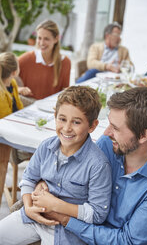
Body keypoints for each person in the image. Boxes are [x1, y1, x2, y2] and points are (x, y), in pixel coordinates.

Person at [40, 87, 147, 245]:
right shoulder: (109, 144)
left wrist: (65, 219)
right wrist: (41, 184)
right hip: (75, 231)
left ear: (143, 135)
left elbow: (127, 241)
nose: (106, 132)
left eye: (116, 128)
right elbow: (73, 174)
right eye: (109, 124)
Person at [0, 86, 112, 245]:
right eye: (62, 119)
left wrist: (56, 205)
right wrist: (28, 207)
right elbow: (28, 179)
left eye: (76, 122)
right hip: (32, 217)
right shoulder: (46, 147)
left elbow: (97, 214)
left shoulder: (98, 164)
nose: (67, 128)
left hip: (67, 231)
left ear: (92, 126)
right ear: (55, 116)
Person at [18, 19, 71, 100]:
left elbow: (65, 93)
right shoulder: (26, 59)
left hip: (51, 108)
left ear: (56, 39)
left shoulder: (65, 62)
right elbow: (4, 82)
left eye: (46, 39)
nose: (42, 43)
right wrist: (18, 89)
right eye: (39, 38)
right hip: (28, 106)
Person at [0, 52, 24, 118]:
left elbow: (19, 105)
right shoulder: (1, 94)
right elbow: (5, 118)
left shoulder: (12, 83)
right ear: (14, 72)